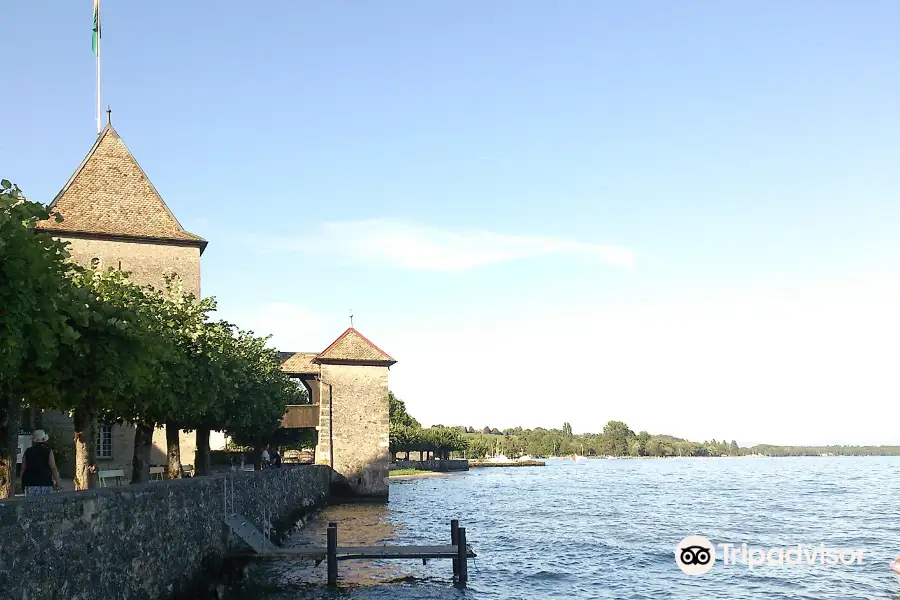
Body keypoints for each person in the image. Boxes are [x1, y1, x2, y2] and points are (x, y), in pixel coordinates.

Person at [20, 430, 61, 496]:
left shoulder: (28, 451)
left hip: (31, 483)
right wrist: (58, 483)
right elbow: (53, 468)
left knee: (31, 504)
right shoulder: (48, 451)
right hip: (46, 482)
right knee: (46, 504)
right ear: (44, 440)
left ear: (33, 440)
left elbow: (23, 468)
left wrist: (22, 483)